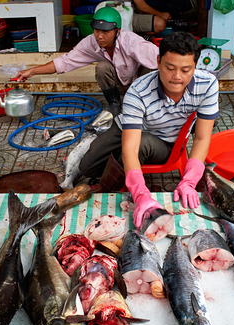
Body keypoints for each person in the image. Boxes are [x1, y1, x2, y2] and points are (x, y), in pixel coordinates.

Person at [79, 31, 218, 228]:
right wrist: (142, 195)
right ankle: (121, 167)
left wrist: (189, 181)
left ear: (195, 66)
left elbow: (202, 139)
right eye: (170, 68)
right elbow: (129, 148)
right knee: (87, 167)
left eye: (186, 70)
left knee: (140, 145)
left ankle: (113, 184)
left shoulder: (209, 84)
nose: (177, 77)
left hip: (162, 140)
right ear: (159, 61)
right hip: (128, 126)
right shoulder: (138, 90)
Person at [14, 8, 158, 116]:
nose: (99, 36)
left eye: (105, 32)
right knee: (102, 67)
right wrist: (32, 71)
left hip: (139, 84)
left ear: (117, 31)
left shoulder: (131, 41)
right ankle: (114, 104)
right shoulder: (90, 43)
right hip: (120, 85)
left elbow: (161, 58)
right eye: (96, 30)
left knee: (153, 68)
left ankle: (149, 104)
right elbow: (64, 62)